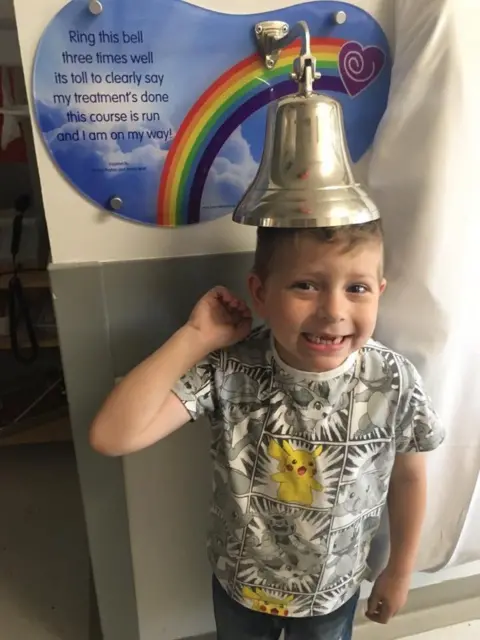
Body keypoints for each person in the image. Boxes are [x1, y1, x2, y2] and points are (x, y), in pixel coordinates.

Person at [90, 220, 444, 640]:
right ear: (260, 293)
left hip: (331, 593)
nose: (334, 311)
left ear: (379, 292)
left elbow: (409, 477)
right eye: (306, 286)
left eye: (357, 288)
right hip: (241, 585)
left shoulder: (394, 379)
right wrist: (196, 337)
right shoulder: (230, 368)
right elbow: (111, 436)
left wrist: (400, 572)